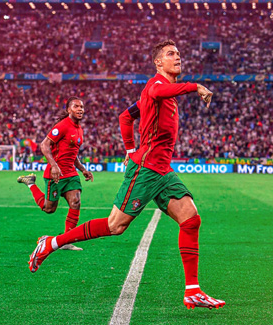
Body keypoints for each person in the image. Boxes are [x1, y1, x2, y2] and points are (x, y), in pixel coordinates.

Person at [28, 40, 225, 310]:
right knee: (115, 226)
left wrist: (130, 148)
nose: (177, 57)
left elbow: (125, 116)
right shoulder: (155, 87)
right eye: (171, 54)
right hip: (145, 170)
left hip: (162, 171)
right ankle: (51, 243)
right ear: (158, 63)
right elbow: (158, 94)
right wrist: (196, 86)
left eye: (179, 53)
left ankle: (192, 290)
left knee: (190, 220)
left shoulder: (156, 94)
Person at [18, 97, 94, 251]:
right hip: (56, 174)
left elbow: (73, 153)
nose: (80, 109)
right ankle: (30, 182)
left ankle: (66, 240)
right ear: (68, 110)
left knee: (76, 202)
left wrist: (83, 169)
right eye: (76, 106)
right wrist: (53, 166)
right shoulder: (62, 126)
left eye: (82, 107)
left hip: (71, 173)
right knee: (49, 208)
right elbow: (44, 145)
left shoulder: (80, 129)